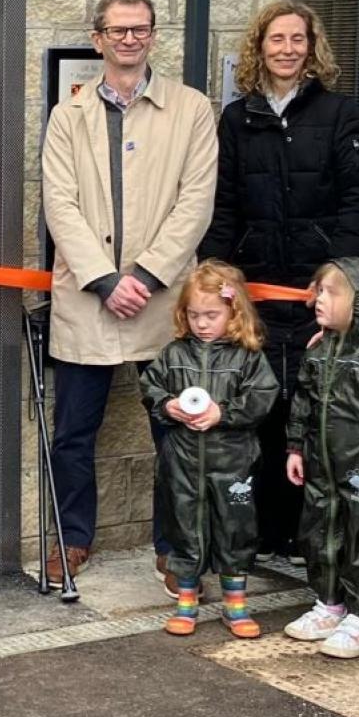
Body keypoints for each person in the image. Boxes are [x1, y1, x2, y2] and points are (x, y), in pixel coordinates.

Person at [40, 0, 219, 584]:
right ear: (98, 39)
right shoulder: (68, 116)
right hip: (89, 299)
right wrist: (105, 280)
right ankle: (73, 541)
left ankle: (173, 547)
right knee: (72, 436)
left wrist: (142, 276)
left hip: (161, 300)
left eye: (139, 29)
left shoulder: (192, 109)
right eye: (117, 30)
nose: (128, 39)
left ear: (152, 35)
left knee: (175, 429)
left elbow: (195, 203)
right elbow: (59, 206)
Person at [200, 0, 359, 567]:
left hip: (313, 291)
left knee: (311, 408)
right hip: (255, 292)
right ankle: (261, 533)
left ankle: (306, 538)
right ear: (260, 47)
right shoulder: (236, 119)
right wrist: (216, 271)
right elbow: (224, 204)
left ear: (311, 46)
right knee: (259, 409)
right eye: (276, 39)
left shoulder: (338, 113)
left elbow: (358, 198)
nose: (287, 49)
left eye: (297, 39)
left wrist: (337, 274)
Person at [136, 260, 279, 637]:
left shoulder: (247, 356)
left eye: (211, 314)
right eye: (194, 314)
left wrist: (223, 413)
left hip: (233, 460)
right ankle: (187, 599)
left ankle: (236, 602)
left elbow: (263, 397)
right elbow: (150, 386)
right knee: (183, 526)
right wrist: (167, 405)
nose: (202, 323)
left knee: (236, 528)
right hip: (182, 460)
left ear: (234, 312)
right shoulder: (174, 353)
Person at [281, 258, 359, 659]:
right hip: (322, 465)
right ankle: (329, 603)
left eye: (332, 293)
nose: (318, 299)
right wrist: (296, 447)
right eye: (319, 291)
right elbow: (302, 401)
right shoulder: (319, 352)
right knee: (318, 533)